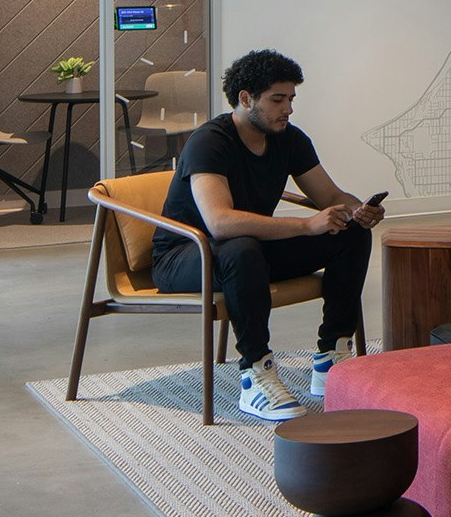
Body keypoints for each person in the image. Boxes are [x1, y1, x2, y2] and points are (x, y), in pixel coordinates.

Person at [154, 49, 384, 420]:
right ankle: (255, 373)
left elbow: (330, 196)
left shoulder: (289, 139)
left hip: (247, 251)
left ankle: (332, 357)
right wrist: (307, 225)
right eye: (278, 99)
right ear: (246, 98)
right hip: (184, 256)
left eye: (291, 99)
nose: (288, 109)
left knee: (350, 234)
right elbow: (220, 224)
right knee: (239, 248)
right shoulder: (209, 142)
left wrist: (357, 210)